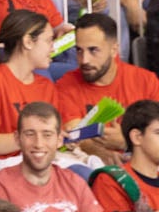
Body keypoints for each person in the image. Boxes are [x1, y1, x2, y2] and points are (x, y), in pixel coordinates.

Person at [57, 13, 159, 163]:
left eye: (93, 50)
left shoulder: (145, 81)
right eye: (79, 50)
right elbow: (74, 135)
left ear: (114, 49)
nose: (84, 60)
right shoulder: (66, 84)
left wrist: (126, 142)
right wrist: (100, 152)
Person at [0, 11, 58, 164]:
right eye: (49, 41)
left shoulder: (47, 86)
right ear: (28, 41)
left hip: (40, 165)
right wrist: (34, 138)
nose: (53, 49)